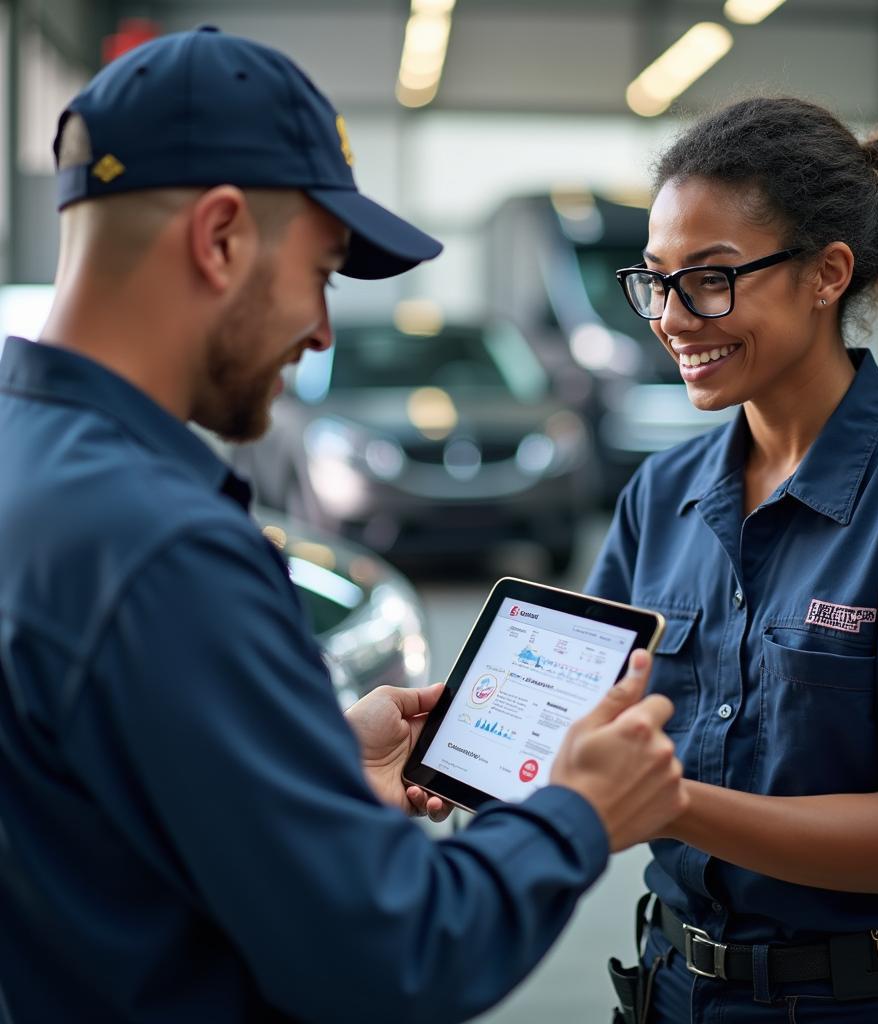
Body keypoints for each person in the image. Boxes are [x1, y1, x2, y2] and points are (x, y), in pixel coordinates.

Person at [0, 27, 689, 1024]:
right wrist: (574, 810)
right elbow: (399, 953)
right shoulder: (164, 549)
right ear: (222, 235)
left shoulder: (30, 461)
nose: (323, 329)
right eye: (322, 272)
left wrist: (304, 757)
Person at [587, 96, 878, 1022]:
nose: (671, 318)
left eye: (710, 279)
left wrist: (665, 803)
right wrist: (457, 751)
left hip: (865, 1001)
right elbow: (583, 718)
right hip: (671, 988)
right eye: (655, 280)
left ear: (827, 274)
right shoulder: (658, 497)